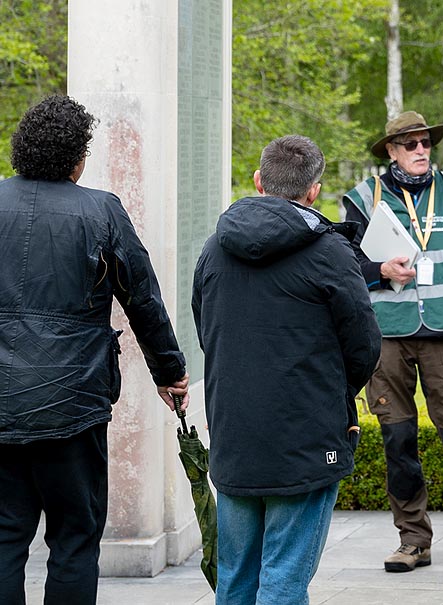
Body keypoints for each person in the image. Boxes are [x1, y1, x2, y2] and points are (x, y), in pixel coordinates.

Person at [0, 95, 189, 605]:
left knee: (3, 538)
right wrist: (169, 371)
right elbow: (142, 298)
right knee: (75, 541)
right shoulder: (100, 210)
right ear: (77, 157)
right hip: (73, 405)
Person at [192, 135, 382, 603]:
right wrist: (329, 392)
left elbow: (206, 328)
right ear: (314, 191)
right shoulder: (330, 252)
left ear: (259, 181)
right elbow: (364, 344)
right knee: (284, 579)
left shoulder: (215, 248)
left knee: (236, 577)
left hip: (234, 433)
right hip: (306, 436)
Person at [342, 110, 443, 572]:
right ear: (391, 151)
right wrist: (379, 271)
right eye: (411, 144)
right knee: (397, 441)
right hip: (387, 336)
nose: (422, 150)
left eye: (426, 143)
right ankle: (413, 541)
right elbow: (342, 268)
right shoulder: (364, 198)